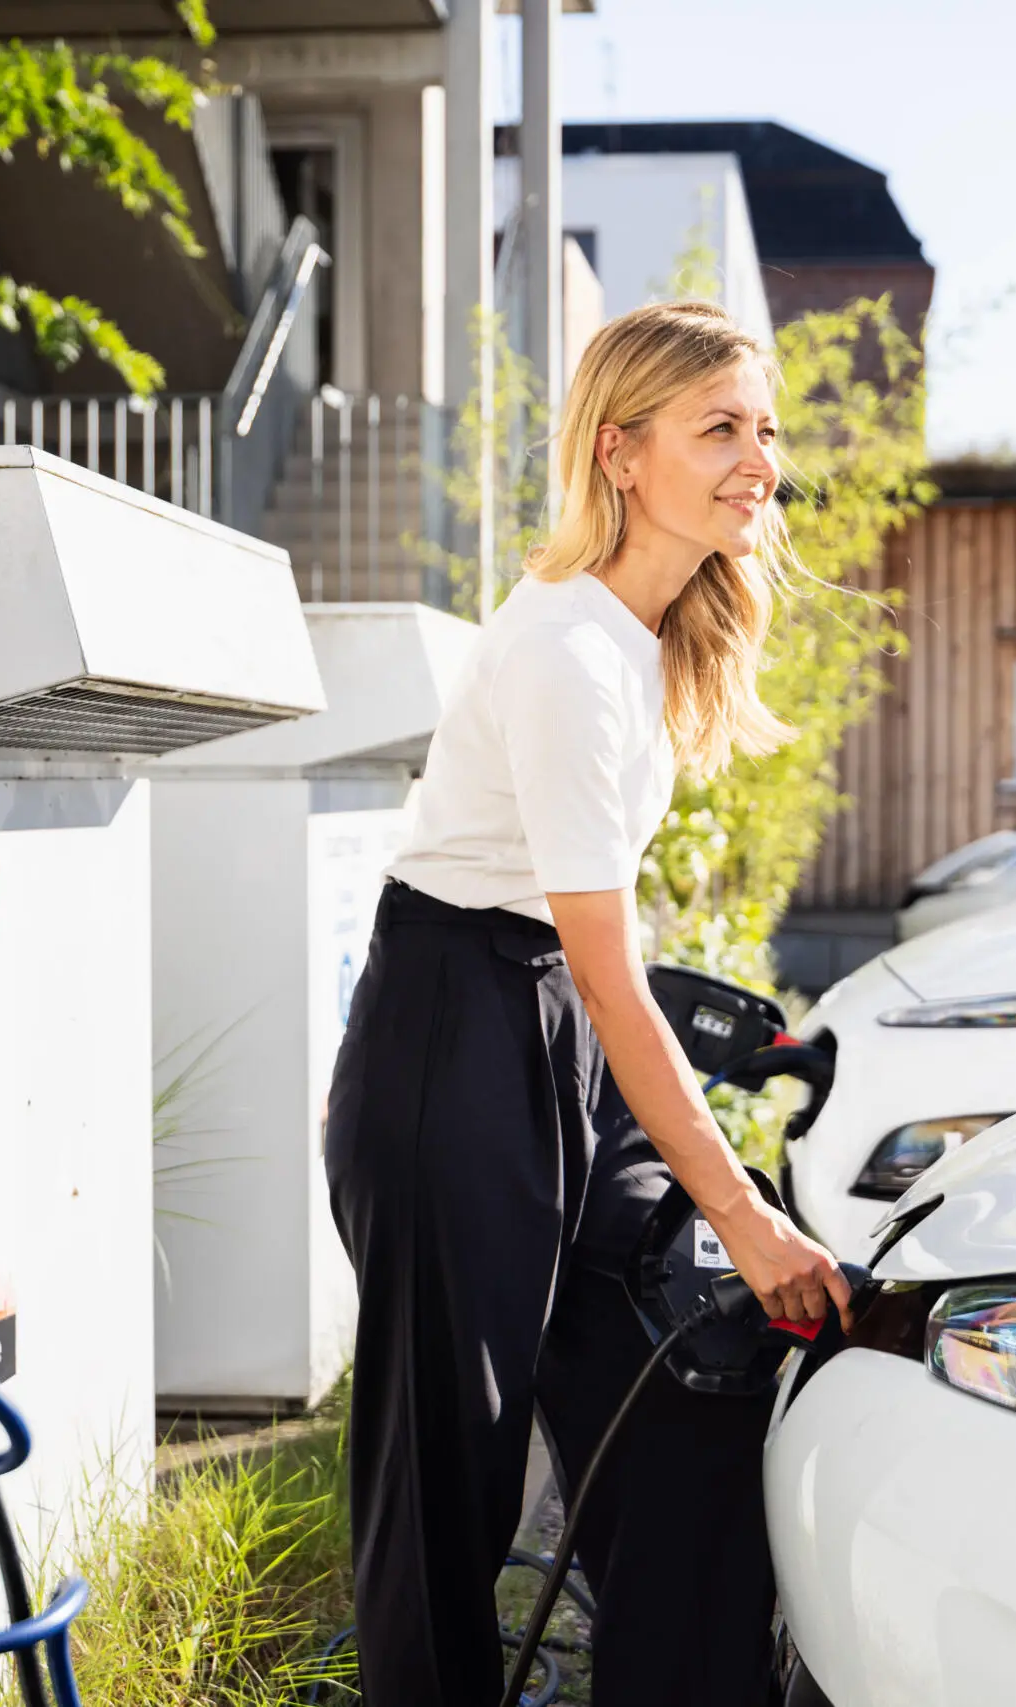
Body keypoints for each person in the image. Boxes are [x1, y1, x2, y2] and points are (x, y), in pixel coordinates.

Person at [325, 299, 852, 1707]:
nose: (762, 462)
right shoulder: (567, 651)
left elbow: (598, 971)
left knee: (688, 1395)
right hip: (456, 1038)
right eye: (722, 429)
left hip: (546, 1026)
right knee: (450, 1492)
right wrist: (744, 1211)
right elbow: (608, 972)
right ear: (622, 453)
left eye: (768, 431)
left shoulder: (644, 636)